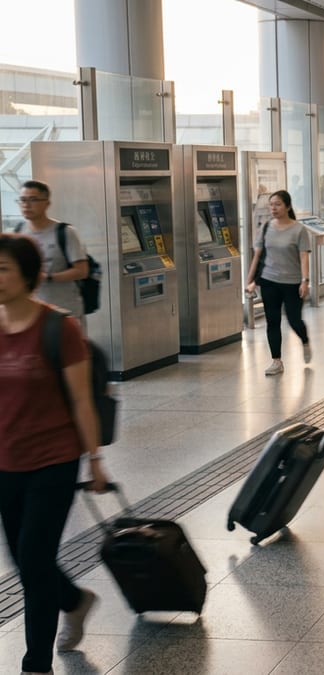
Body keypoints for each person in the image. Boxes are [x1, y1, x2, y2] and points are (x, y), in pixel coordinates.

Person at [0, 233, 107, 675]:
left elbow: (82, 401)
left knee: (35, 559)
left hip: (53, 458)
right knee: (25, 559)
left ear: (29, 275)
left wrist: (95, 458)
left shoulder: (58, 327)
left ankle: (35, 665)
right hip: (6, 459)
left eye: (3, 268)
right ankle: (75, 600)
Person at [244, 190, 312, 376]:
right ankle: (276, 361)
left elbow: (304, 257)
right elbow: (257, 255)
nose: (273, 208)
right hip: (269, 281)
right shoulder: (266, 228)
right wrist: (249, 281)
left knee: (294, 320)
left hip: (292, 282)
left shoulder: (299, 229)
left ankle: (305, 340)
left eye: (278, 204)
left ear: (288, 207)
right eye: (271, 204)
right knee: (272, 321)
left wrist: (305, 281)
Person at [15, 181, 89, 324]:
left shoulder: (65, 232)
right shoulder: (19, 232)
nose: (26, 204)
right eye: (23, 200)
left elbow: (82, 271)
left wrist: (47, 277)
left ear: (47, 203)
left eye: (33, 200)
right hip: (31, 313)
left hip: (65, 312)